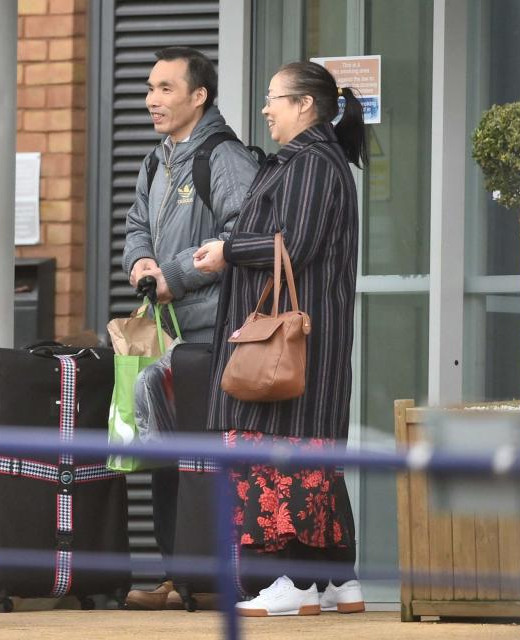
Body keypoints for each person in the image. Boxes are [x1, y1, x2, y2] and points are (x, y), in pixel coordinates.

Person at [193, 60, 367, 617]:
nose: (266, 108)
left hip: (291, 342)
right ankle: (337, 580)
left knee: (275, 451)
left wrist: (228, 251)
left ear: (306, 106)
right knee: (308, 453)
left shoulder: (312, 163)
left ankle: (292, 580)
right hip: (304, 338)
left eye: (275, 98)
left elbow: (295, 243)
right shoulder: (309, 161)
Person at [122, 46, 260, 610]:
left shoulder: (223, 157)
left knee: (206, 460)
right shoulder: (158, 160)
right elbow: (136, 224)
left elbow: (241, 236)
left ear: (198, 95)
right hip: (168, 338)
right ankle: (176, 576)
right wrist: (139, 264)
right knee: (165, 455)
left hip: (214, 337)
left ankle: (212, 577)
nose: (152, 99)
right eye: (150, 88)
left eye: (165, 89)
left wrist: (172, 274)